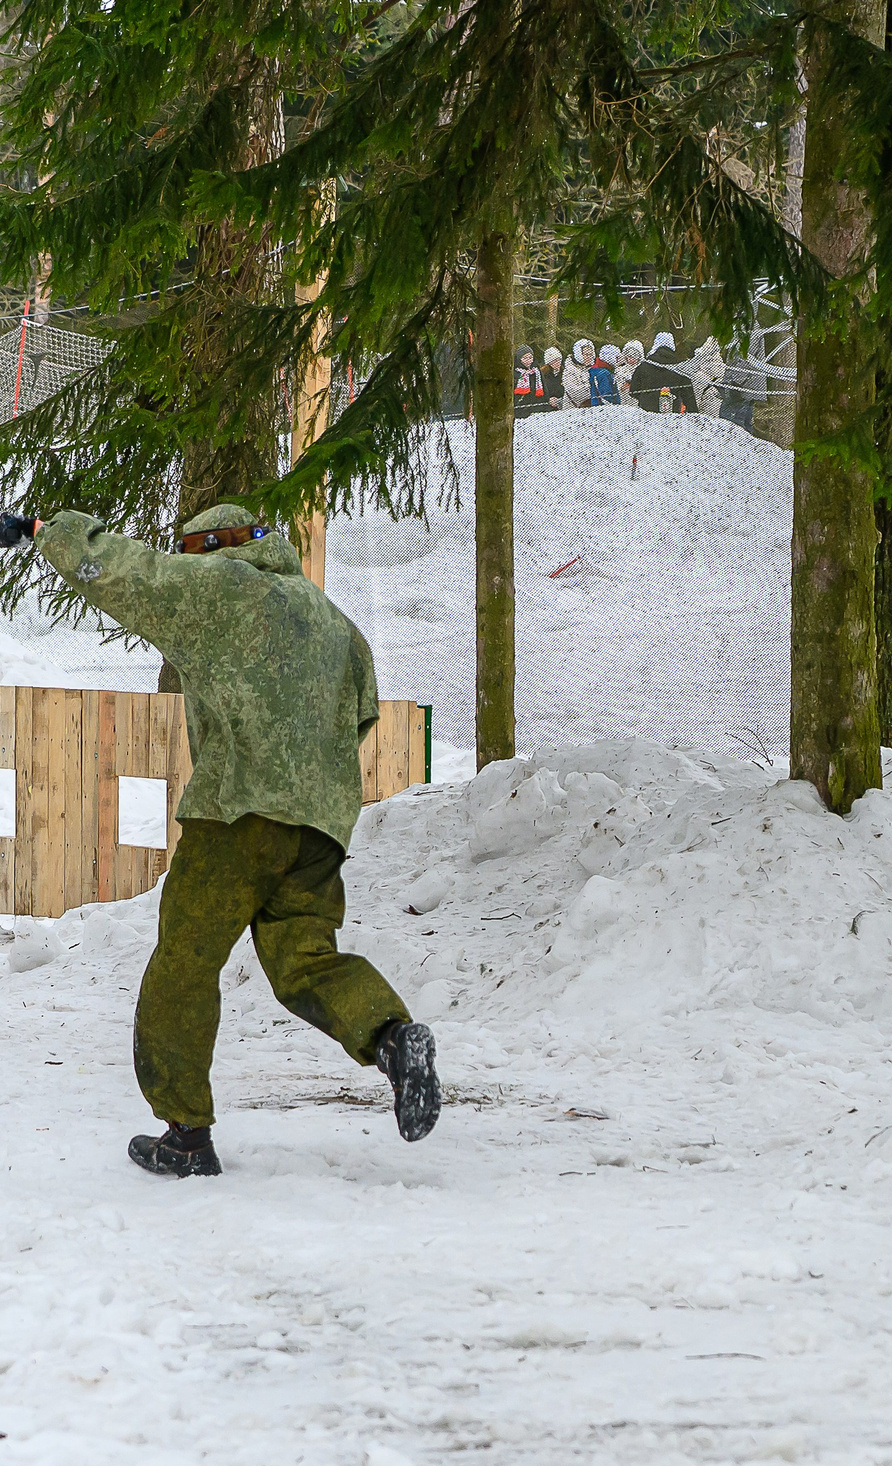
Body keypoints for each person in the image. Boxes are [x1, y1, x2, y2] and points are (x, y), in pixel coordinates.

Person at [29, 504, 442, 1178]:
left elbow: (134, 576)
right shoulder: (335, 621)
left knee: (185, 961)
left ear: (215, 548)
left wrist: (54, 534)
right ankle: (394, 1037)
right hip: (319, 827)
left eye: (192, 555)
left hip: (239, 813)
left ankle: (185, 1135)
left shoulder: (222, 586)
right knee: (305, 961)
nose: (188, 567)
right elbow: (361, 710)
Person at [629, 331, 699, 414]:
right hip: (671, 416)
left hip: (647, 414)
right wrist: (694, 414)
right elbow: (689, 397)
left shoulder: (644, 366)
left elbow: (633, 391)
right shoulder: (679, 369)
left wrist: (646, 398)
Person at [513, 343, 549, 415]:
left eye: (530, 358)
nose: (528, 360)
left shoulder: (536, 371)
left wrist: (546, 399)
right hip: (521, 405)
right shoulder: (516, 372)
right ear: (519, 358)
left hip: (537, 404)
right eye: (525, 358)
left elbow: (543, 385)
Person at [561, 338, 595, 408]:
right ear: (579, 354)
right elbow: (575, 393)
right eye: (586, 354)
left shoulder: (592, 369)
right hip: (573, 411)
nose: (588, 357)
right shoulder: (569, 370)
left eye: (590, 354)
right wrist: (594, 388)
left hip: (591, 410)